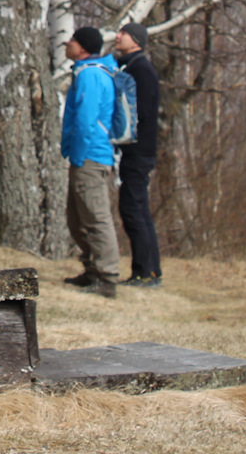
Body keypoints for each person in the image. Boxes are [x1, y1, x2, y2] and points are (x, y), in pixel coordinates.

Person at [61, 25, 121, 297]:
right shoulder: (88, 72)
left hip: (90, 156)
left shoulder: (90, 74)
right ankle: (92, 270)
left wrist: (78, 154)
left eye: (71, 40)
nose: (67, 43)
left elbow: (86, 120)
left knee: (95, 218)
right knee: (77, 218)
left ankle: (107, 278)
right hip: (85, 156)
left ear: (83, 47)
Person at [113, 22, 163, 288]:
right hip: (139, 151)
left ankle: (144, 274)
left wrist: (121, 134)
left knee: (133, 210)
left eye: (124, 33)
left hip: (138, 152)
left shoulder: (140, 70)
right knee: (139, 209)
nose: (118, 36)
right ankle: (151, 272)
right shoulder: (135, 67)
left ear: (137, 41)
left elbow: (140, 113)